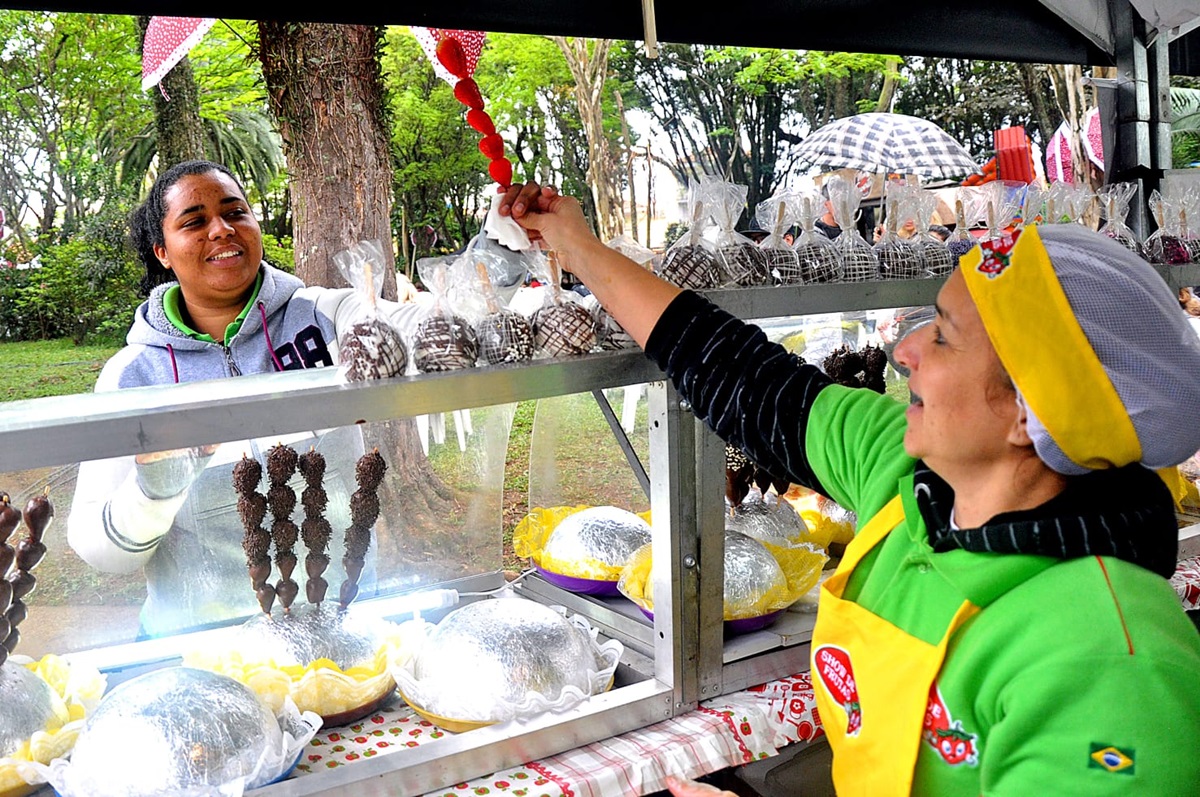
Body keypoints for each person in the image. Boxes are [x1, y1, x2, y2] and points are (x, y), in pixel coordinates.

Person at [499, 181, 1200, 795]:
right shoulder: (906, 472)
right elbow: (741, 375)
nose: (906, 349)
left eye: (947, 337)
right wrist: (577, 245)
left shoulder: (1112, 658)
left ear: (1029, 410)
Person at [68, 160, 424, 638]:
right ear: (163, 252)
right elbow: (102, 553)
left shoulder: (325, 316)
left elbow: (407, 331)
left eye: (235, 212)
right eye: (194, 221)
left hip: (341, 622)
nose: (221, 230)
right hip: (202, 646)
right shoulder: (132, 376)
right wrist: (157, 487)